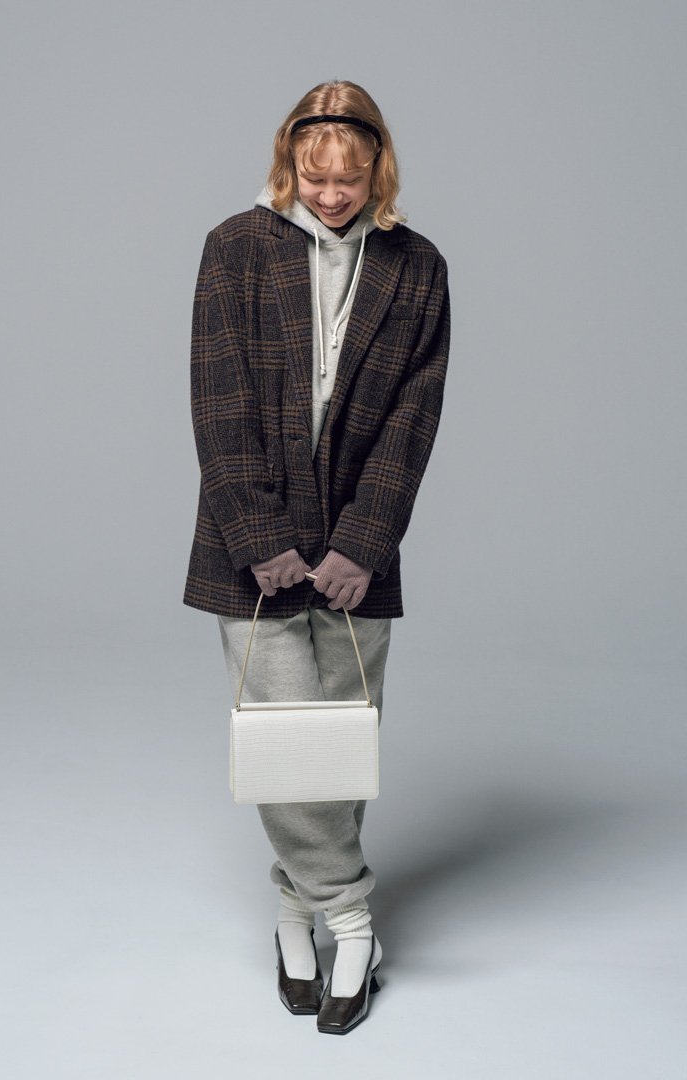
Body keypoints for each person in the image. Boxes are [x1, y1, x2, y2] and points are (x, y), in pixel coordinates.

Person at [183, 80, 451, 1034]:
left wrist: (362, 544)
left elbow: (413, 418)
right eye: (314, 175)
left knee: (338, 749)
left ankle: (295, 911)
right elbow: (217, 400)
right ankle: (352, 918)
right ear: (288, 162)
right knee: (286, 743)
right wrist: (261, 540)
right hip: (249, 543)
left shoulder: (418, 267)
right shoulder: (234, 247)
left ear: (379, 169)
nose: (331, 194)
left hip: (357, 549)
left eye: (350, 178)